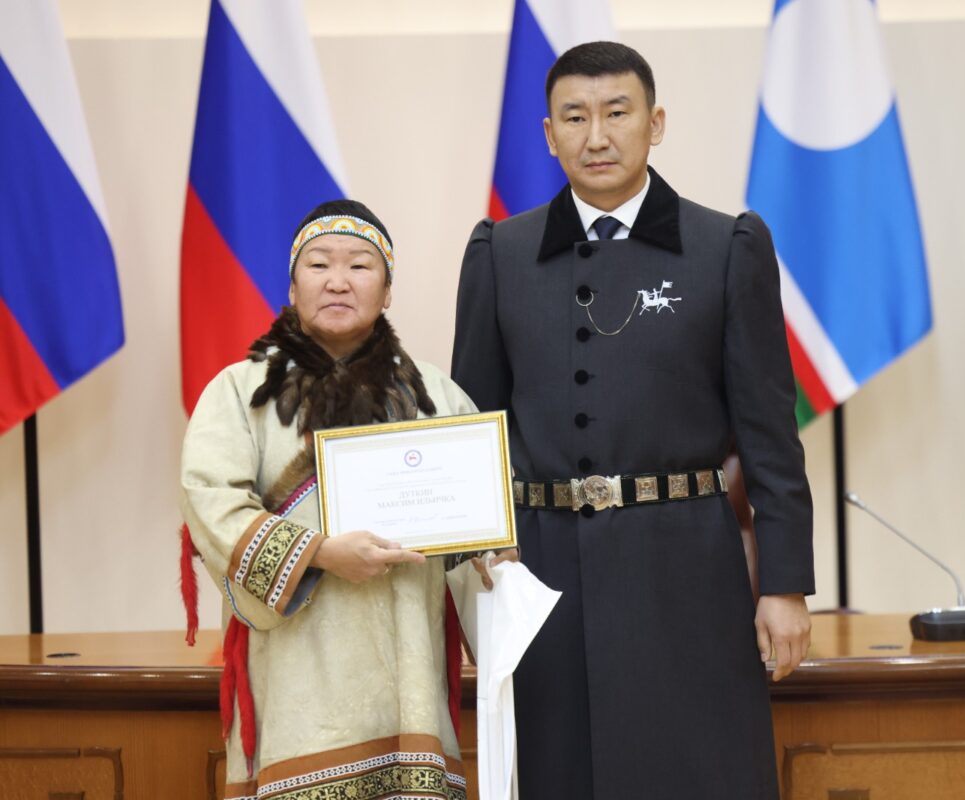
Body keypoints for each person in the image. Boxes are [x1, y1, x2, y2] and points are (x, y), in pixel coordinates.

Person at [451, 41, 815, 799]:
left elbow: (769, 435)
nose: (597, 136)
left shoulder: (726, 246)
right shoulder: (500, 253)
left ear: (656, 123)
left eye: (618, 113)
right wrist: (478, 568)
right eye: (574, 118)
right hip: (540, 578)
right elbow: (472, 431)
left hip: (686, 569)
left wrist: (784, 585)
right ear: (548, 135)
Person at [181, 200, 478, 800]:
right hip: (296, 691)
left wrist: (499, 560)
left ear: (387, 290)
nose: (338, 280)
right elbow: (210, 503)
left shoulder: (437, 395)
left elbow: (479, 539)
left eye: (361, 266)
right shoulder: (240, 392)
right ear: (292, 286)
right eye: (319, 264)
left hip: (410, 692)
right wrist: (319, 552)